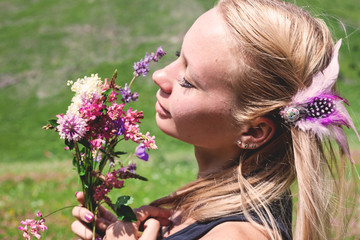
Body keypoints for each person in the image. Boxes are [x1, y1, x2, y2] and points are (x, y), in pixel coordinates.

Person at [71, 0, 359, 239]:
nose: (160, 76)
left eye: (188, 80)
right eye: (177, 56)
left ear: (254, 131)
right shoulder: (203, 205)